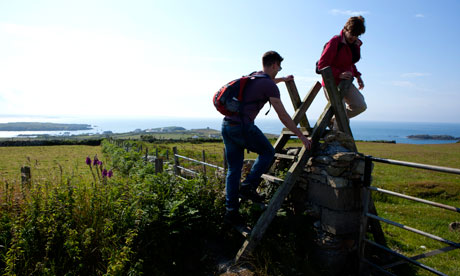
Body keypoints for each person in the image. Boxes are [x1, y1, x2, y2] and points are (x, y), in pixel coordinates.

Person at [222, 51, 311, 226]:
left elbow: (268, 83)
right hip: (243, 127)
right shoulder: (269, 86)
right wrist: (301, 135)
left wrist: (284, 79)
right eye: (279, 68)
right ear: (274, 65)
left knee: (233, 169)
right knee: (268, 152)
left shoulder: (254, 77)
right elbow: (283, 115)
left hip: (227, 125)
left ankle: (231, 212)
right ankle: (248, 186)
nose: (279, 70)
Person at [317, 16, 367, 127]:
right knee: (341, 112)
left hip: (346, 82)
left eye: (357, 35)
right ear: (345, 29)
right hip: (331, 83)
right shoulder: (335, 41)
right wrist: (339, 73)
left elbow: (350, 63)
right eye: (352, 33)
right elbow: (322, 65)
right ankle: (337, 140)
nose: (354, 37)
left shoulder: (355, 44)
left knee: (360, 105)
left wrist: (358, 76)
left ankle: (332, 120)